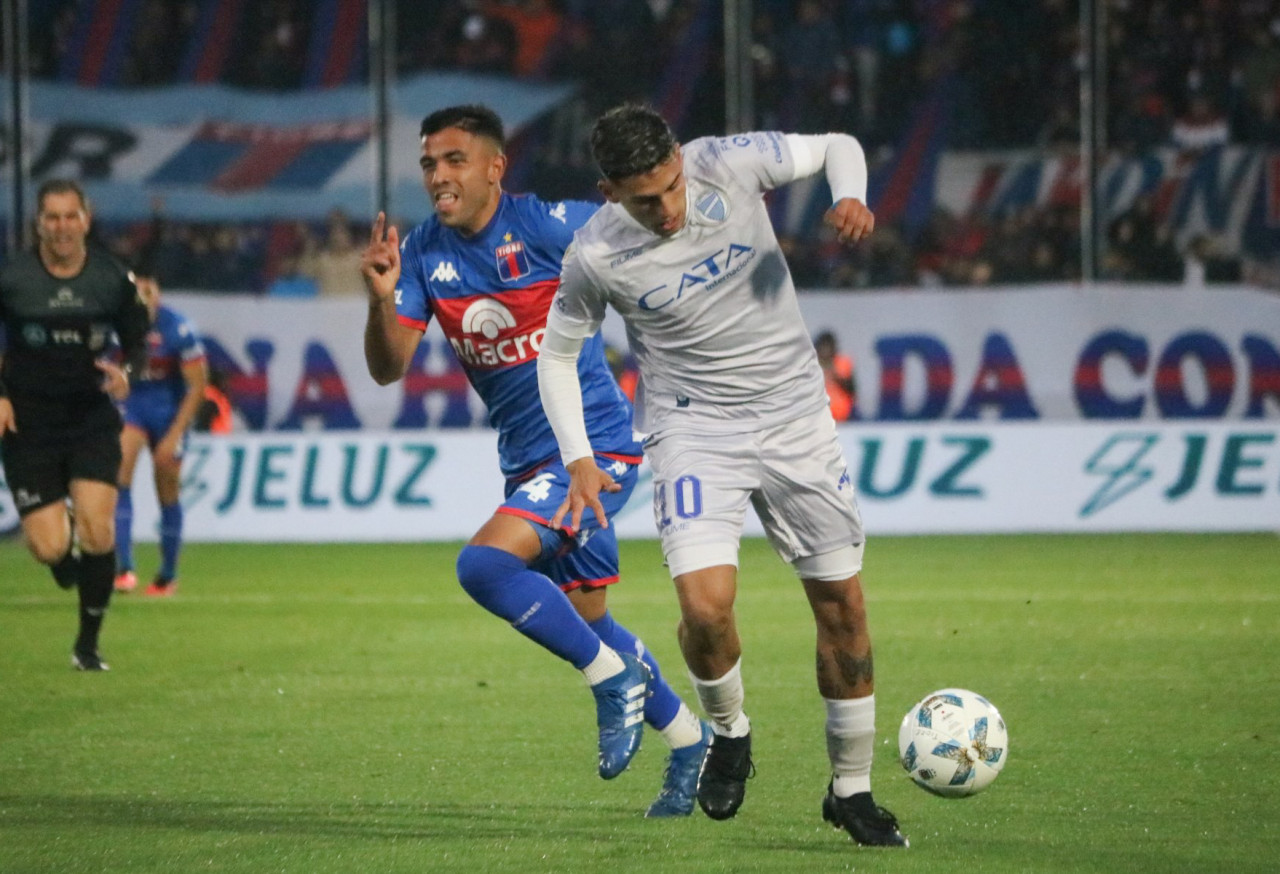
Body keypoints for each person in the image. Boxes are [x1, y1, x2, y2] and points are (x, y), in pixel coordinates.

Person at [537, 104, 907, 846]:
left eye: (672, 185)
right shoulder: (594, 255)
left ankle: (852, 789)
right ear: (610, 191)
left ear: (680, 158)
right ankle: (730, 733)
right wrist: (577, 455)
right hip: (694, 429)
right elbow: (556, 352)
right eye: (646, 199)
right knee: (705, 610)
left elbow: (837, 141)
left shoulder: (728, 162)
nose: (669, 208)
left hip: (796, 417)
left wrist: (850, 194)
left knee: (842, 605)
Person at [360, 104, 712, 815]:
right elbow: (387, 367)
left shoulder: (550, 224)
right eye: (429, 163)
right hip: (526, 463)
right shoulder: (425, 252)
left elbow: (651, 225)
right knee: (587, 619)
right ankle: (687, 740)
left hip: (594, 452)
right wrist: (377, 299)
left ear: (495, 167)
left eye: (455, 161)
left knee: (484, 566)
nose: (438, 176)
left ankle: (610, 683)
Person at [0, 179, 150, 671]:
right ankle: (69, 567)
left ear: (86, 220)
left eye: (71, 216)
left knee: (97, 531)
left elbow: (139, 340)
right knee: (49, 548)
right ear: (38, 224)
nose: (62, 227)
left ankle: (88, 647)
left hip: (90, 417)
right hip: (28, 422)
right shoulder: (14, 278)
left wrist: (127, 373)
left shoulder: (111, 277)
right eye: (52, 217)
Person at [113, 276, 209, 597]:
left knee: (166, 486)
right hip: (133, 405)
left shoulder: (179, 328)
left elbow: (197, 385)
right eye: (136, 291)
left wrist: (174, 434)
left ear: (157, 293)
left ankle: (167, 574)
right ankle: (123, 568)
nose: (143, 297)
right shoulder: (117, 327)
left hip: (169, 410)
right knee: (120, 470)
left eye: (148, 290)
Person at [814, 330, 856, 422]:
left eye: (828, 347)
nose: (825, 351)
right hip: (818, 418)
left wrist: (834, 374)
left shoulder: (843, 362)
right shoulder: (812, 366)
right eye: (823, 347)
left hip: (843, 417)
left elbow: (852, 390)